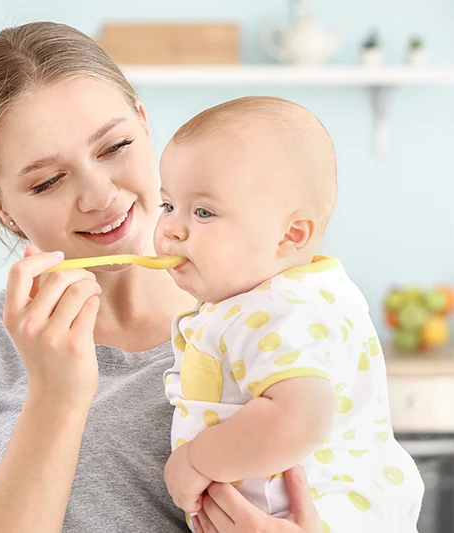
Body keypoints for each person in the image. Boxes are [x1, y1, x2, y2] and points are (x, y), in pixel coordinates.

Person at [0, 21, 321, 533]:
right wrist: (57, 394)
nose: (98, 195)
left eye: (114, 147)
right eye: (47, 181)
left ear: (145, 124)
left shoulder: (278, 312)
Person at [155, 96, 424, 533]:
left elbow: (299, 415)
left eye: (202, 212)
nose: (170, 228)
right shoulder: (283, 296)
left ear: (290, 235)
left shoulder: (279, 309)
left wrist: (195, 459)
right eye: (167, 205)